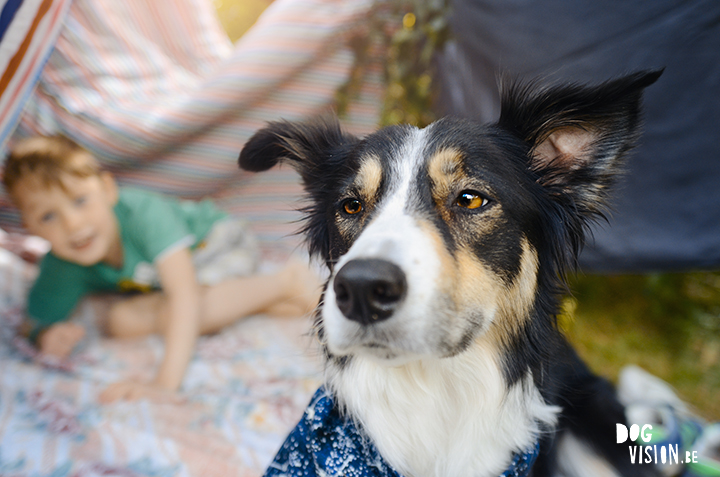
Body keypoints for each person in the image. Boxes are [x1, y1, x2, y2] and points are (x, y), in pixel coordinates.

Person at [2, 135, 321, 403]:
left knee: (183, 311)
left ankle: (286, 280)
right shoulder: (63, 262)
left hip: (215, 244)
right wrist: (45, 335)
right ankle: (267, 301)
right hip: (174, 281)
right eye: (47, 217)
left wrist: (164, 384)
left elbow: (184, 295)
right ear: (30, 226)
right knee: (120, 320)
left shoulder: (143, 214)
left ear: (107, 190)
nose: (73, 225)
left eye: (80, 200)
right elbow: (33, 322)